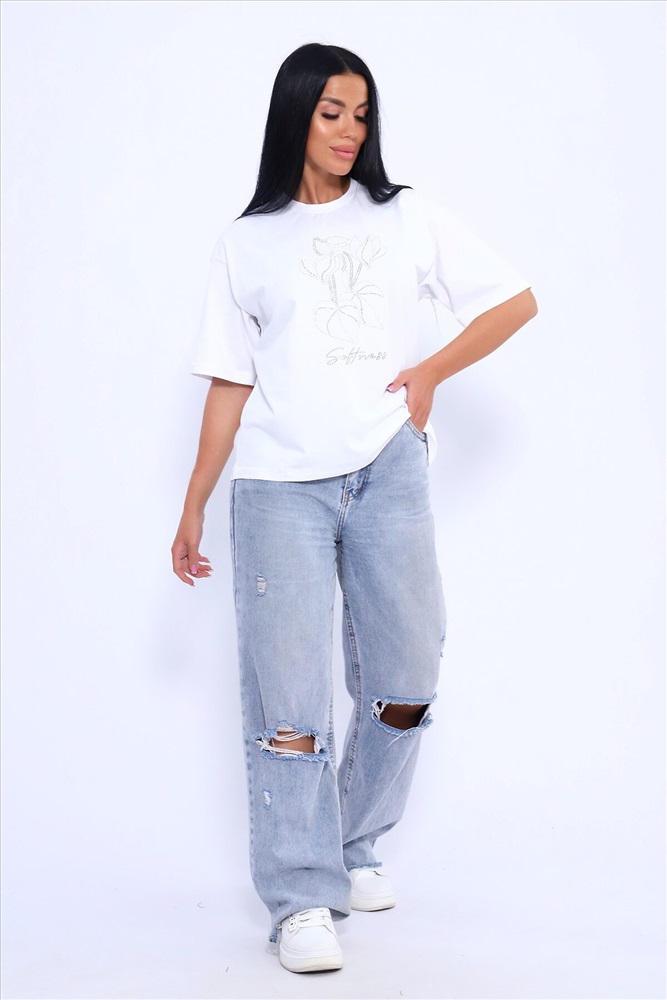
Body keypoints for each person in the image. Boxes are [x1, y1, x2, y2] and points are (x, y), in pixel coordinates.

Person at [171, 42, 537, 974]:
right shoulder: (246, 242)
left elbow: (514, 301)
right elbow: (228, 383)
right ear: (295, 113)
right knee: (289, 703)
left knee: (407, 680)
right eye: (332, 111)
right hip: (277, 489)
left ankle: (348, 842)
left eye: (361, 114)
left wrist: (429, 373)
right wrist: (193, 504)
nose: (349, 130)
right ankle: (301, 898)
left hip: (387, 470)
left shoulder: (403, 215)